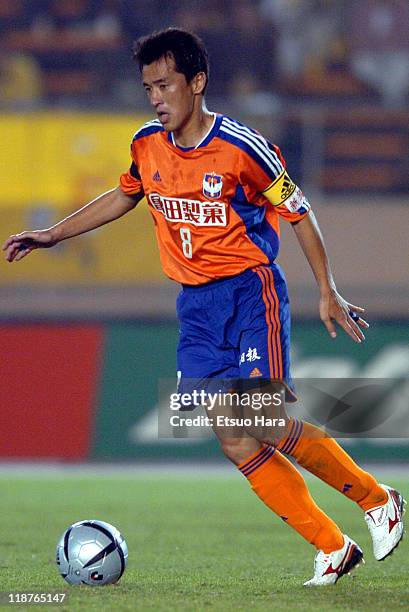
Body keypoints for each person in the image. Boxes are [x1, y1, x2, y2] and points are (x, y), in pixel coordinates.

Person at [3, 27, 405, 586]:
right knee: (233, 434)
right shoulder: (146, 143)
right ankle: (332, 547)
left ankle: (378, 498)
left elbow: (300, 211)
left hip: (249, 292)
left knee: (260, 418)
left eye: (165, 85)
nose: (155, 98)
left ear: (197, 82)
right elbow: (126, 192)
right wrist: (53, 234)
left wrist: (327, 288)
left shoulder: (244, 148)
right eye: (147, 87)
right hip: (195, 306)